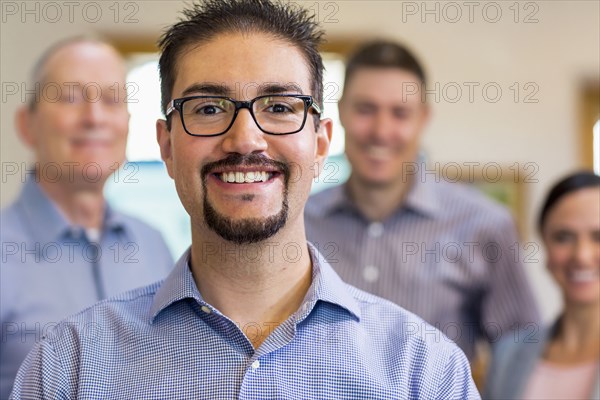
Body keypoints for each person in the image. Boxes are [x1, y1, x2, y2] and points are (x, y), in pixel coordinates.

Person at [10, 1, 480, 398]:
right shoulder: (66, 367)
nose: (245, 139)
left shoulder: (425, 373)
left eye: (278, 107)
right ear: (167, 147)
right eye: (209, 108)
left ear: (320, 145)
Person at [305, 40, 540, 360]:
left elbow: (524, 357)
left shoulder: (484, 224)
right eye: (365, 109)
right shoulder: (301, 223)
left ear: (423, 118)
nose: (381, 130)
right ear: (342, 110)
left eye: (399, 113)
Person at [0, 38, 173, 398]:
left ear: (126, 123)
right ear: (26, 124)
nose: (94, 117)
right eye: (70, 98)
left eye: (111, 100)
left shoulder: (153, 245)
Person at [484, 171, 600, 399]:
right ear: (545, 244)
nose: (582, 255)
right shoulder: (507, 355)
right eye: (563, 237)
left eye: (598, 237)